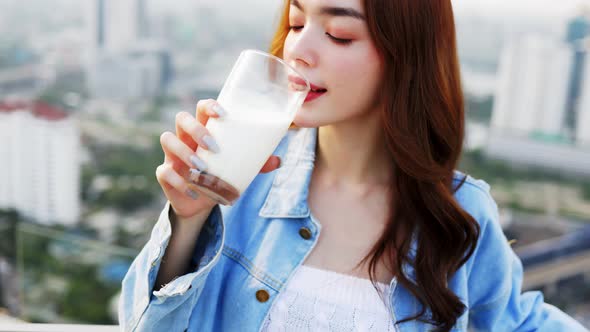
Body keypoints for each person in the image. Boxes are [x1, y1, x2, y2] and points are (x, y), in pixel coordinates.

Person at [119, 0, 589, 331]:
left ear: (405, 55)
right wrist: (187, 221)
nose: (300, 50)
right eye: (297, 22)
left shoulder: (460, 212)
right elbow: (142, 326)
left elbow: (520, 323)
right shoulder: (242, 183)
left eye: (339, 34)